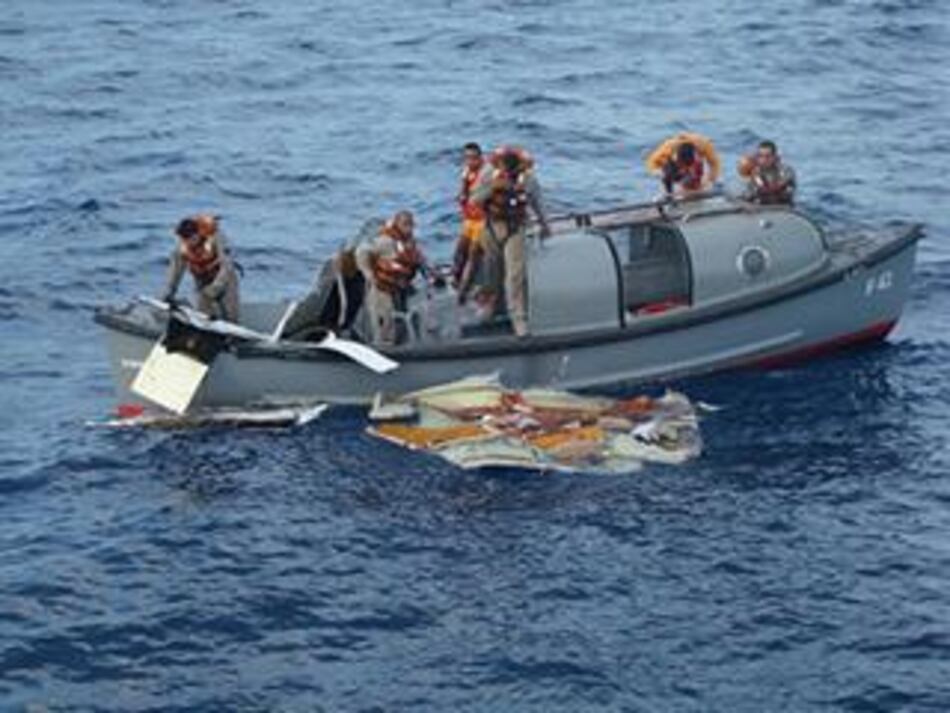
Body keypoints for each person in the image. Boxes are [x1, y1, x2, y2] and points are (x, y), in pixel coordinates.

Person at [470, 145, 551, 338]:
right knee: (492, 271)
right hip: (492, 228)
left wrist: (544, 224)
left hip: (516, 228)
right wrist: (492, 188)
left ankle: (519, 319)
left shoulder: (528, 179)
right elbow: (474, 200)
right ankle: (492, 307)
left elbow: (537, 200)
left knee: (516, 275)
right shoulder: (489, 174)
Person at [355, 210, 426, 346]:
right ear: (397, 225)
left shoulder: (408, 242)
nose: (409, 229)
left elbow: (415, 259)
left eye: (411, 225)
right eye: (405, 225)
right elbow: (362, 251)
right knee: (385, 320)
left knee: (401, 316)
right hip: (382, 289)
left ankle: (400, 341)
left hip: (400, 287)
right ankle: (383, 345)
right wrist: (368, 273)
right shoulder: (385, 241)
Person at [162, 214, 240, 321]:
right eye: (186, 239)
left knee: (231, 317)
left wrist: (215, 287)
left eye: (192, 238)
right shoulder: (182, 247)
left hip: (225, 279)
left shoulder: (216, 238)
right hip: (202, 280)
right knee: (203, 316)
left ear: (198, 233)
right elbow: (175, 272)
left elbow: (227, 265)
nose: (190, 242)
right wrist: (168, 292)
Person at [451, 142, 491, 305]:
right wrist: (461, 196)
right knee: (460, 251)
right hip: (470, 219)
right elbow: (463, 192)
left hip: (483, 220)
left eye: (473, 157)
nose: (470, 161)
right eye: (467, 158)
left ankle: (464, 292)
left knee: (474, 255)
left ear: (480, 157)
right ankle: (457, 279)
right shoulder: (467, 172)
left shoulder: (487, 173)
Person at [645, 132, 721, 197]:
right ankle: (670, 195)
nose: (685, 169)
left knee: (697, 178)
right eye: (684, 167)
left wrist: (711, 179)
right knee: (667, 174)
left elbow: (714, 163)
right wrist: (659, 173)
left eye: (686, 167)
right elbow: (651, 164)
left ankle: (695, 188)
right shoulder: (667, 148)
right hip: (671, 164)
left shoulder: (703, 144)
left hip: (696, 161)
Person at [738, 140, 797, 205]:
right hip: (763, 207)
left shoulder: (786, 171)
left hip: (783, 205)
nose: (764, 159)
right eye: (761, 156)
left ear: (774, 157)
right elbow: (750, 194)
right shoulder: (756, 172)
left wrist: (758, 181)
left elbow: (778, 189)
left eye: (767, 156)